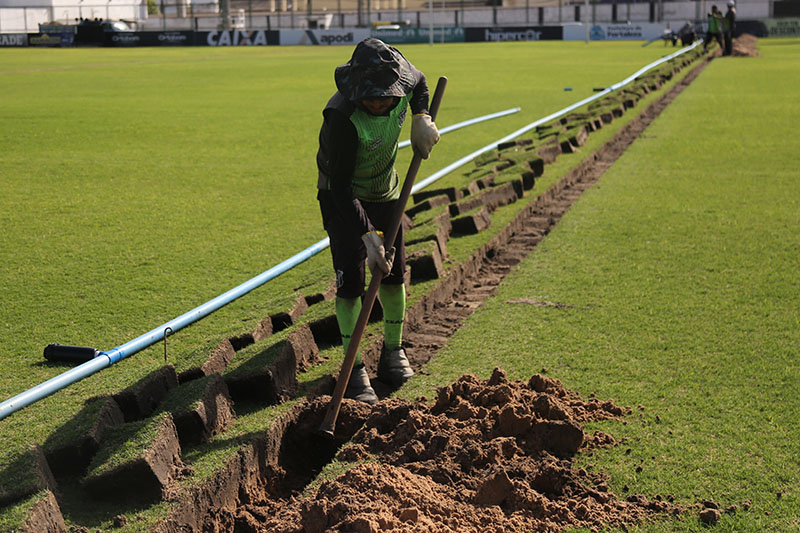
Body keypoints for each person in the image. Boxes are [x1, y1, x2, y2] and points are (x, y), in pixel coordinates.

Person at [316, 38, 440, 404]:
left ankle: (393, 351)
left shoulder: (404, 84)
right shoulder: (341, 118)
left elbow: (420, 81)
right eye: (370, 97)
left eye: (385, 96)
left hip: (387, 192)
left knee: (393, 273)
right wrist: (368, 237)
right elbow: (340, 188)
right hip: (343, 197)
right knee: (351, 281)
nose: (378, 102)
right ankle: (353, 369)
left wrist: (421, 117)